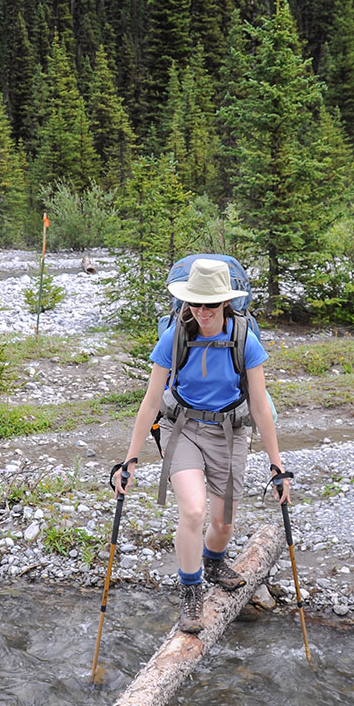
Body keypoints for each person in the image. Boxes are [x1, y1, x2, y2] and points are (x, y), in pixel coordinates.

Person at [116, 258, 290, 633]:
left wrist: (278, 466)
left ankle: (213, 561)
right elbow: (150, 402)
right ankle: (191, 591)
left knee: (223, 522)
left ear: (226, 302)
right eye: (195, 303)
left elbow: (260, 406)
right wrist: (129, 460)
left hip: (230, 433)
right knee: (193, 512)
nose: (202, 311)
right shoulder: (174, 336)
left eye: (210, 304)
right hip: (184, 431)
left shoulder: (245, 339)